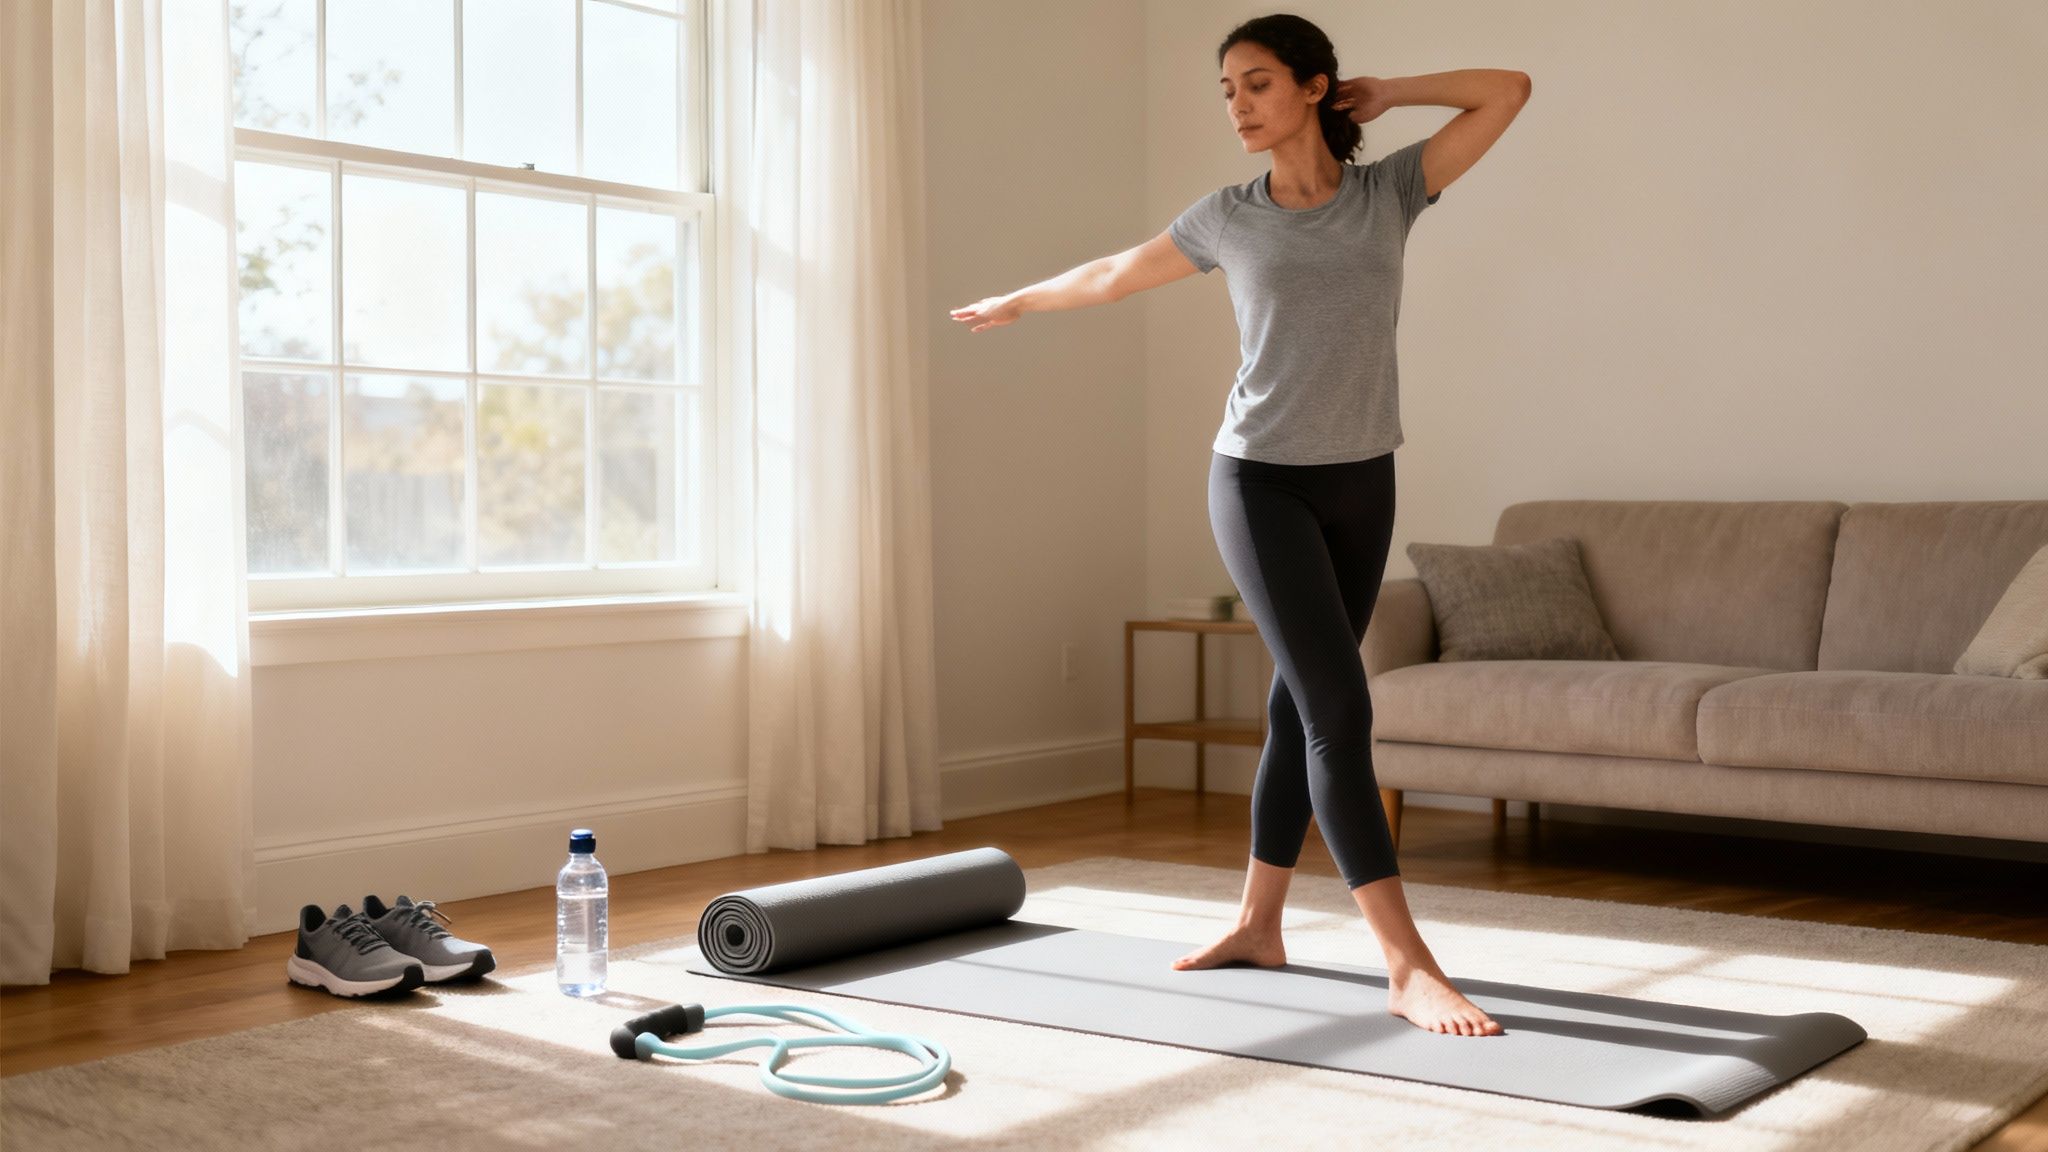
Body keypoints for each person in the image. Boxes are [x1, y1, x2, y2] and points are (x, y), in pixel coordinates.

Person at [949, 14, 1529, 1037]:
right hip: (1258, 481)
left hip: (1360, 478)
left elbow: (1506, 88)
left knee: (1291, 708)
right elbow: (1114, 273)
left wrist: (1391, 92)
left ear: (1314, 87)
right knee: (1337, 711)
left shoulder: (1388, 194)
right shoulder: (1226, 217)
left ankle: (1259, 924)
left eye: (1256, 83)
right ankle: (1404, 964)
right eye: (1226, 90)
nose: (1237, 105)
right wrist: (1019, 302)